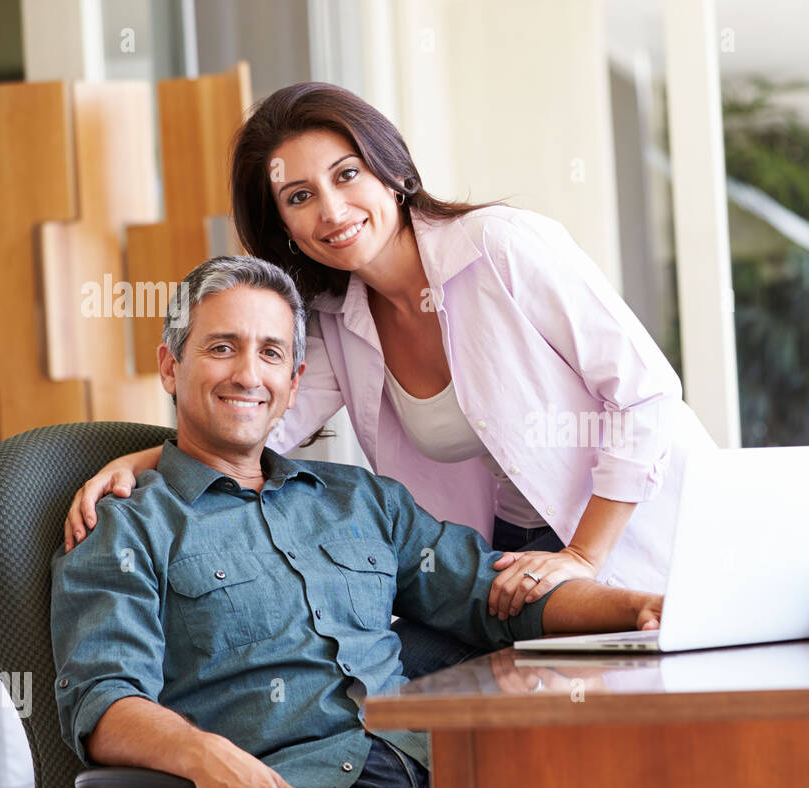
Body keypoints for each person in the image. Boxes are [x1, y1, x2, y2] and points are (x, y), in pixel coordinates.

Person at [51, 256, 663, 788]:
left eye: (271, 353)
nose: (247, 373)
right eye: (221, 347)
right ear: (170, 366)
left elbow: (499, 592)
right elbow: (102, 701)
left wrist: (642, 608)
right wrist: (205, 755)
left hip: (425, 769)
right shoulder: (126, 524)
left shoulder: (360, 500)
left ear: (294, 382)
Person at [63, 82, 715, 653]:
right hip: (512, 554)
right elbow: (255, 427)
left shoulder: (501, 246)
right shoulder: (334, 321)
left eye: (346, 175)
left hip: (633, 523)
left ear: (390, 171)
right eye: (299, 196)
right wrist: (140, 461)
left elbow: (645, 395)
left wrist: (583, 555)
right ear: (283, 226)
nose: (332, 211)